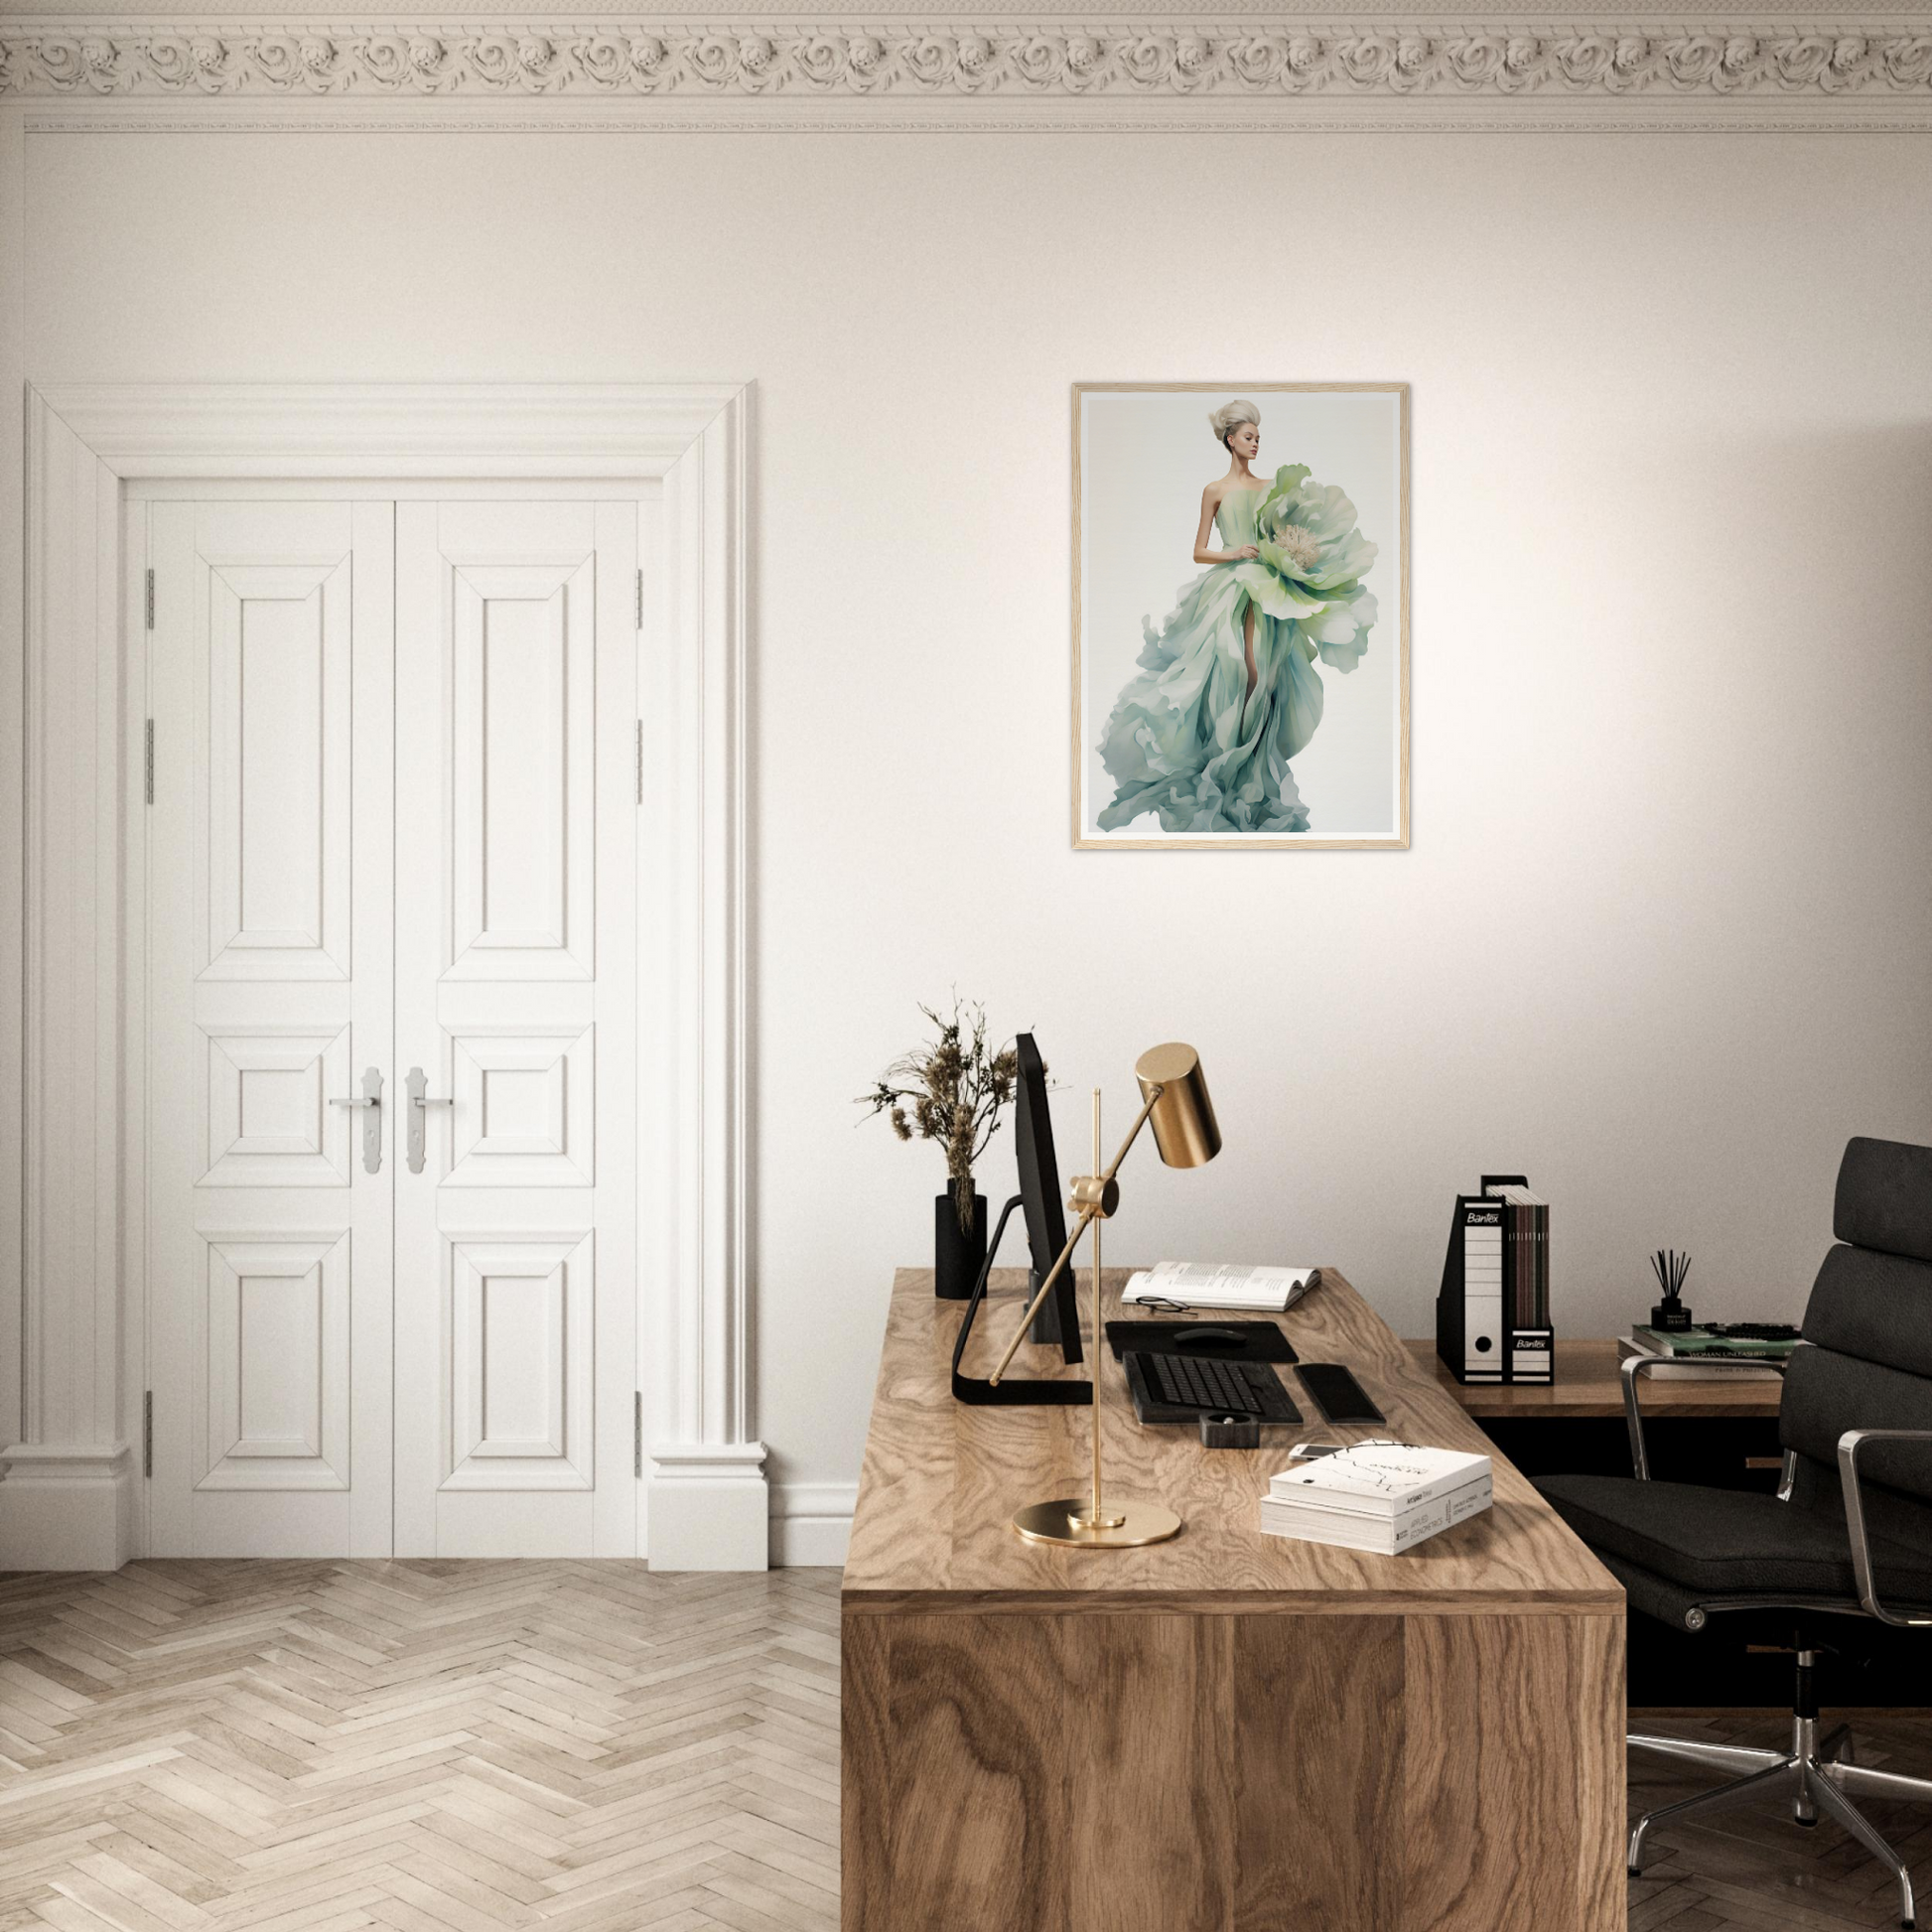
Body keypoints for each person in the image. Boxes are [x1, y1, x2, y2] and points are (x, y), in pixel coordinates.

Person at [1095, 399, 1377, 835]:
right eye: (1249, 437)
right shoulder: (1215, 490)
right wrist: (1234, 552)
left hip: (1272, 591)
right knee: (1237, 671)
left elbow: (1280, 531)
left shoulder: (1271, 488)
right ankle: (1225, 765)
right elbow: (1197, 551)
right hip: (1232, 589)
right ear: (1230, 440)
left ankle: (1250, 771)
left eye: (1259, 438)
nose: (1256, 444)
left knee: (1264, 674)